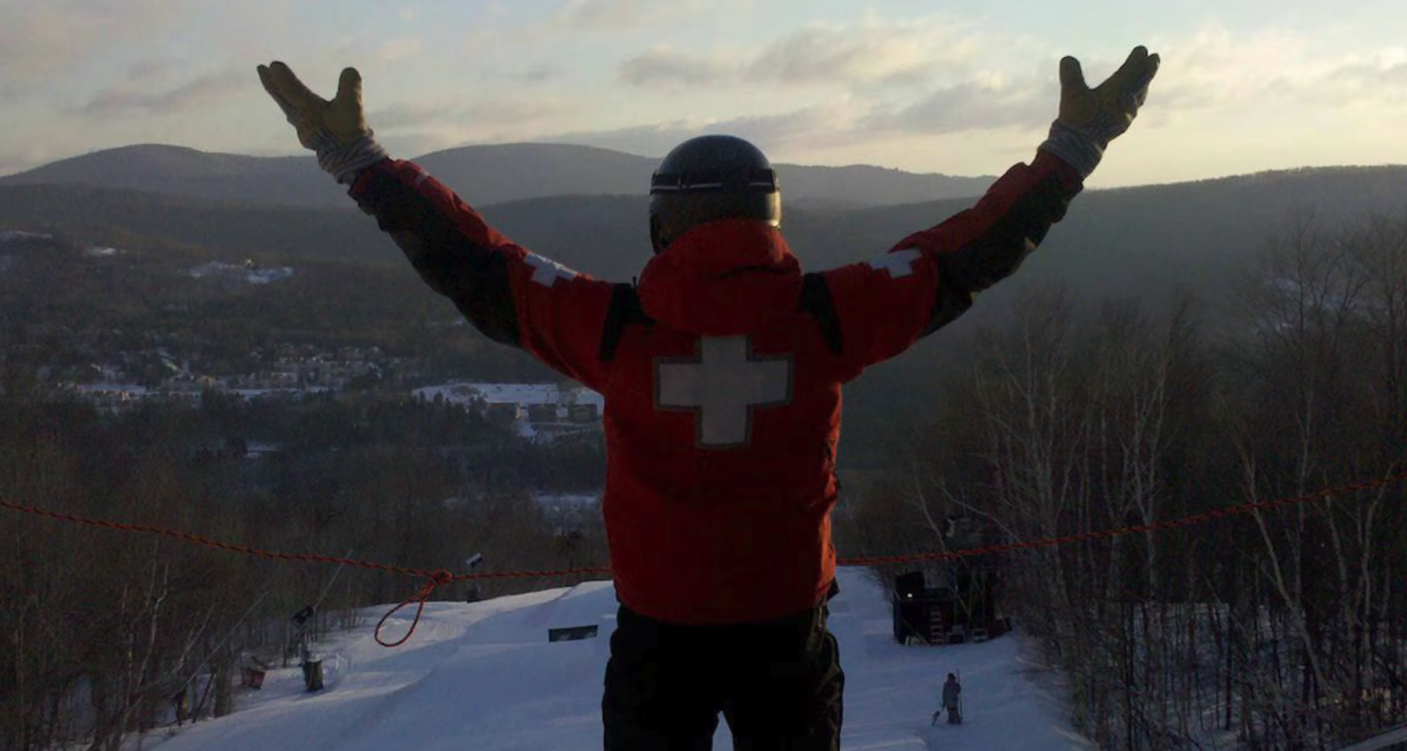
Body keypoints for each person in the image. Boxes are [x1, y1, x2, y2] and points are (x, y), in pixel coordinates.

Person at [256, 43, 1159, 751]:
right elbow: (963, 256)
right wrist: (1071, 150)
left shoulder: (613, 327)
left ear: (663, 224)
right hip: (787, 636)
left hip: (659, 641)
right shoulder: (826, 317)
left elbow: (478, 265)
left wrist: (356, 158)